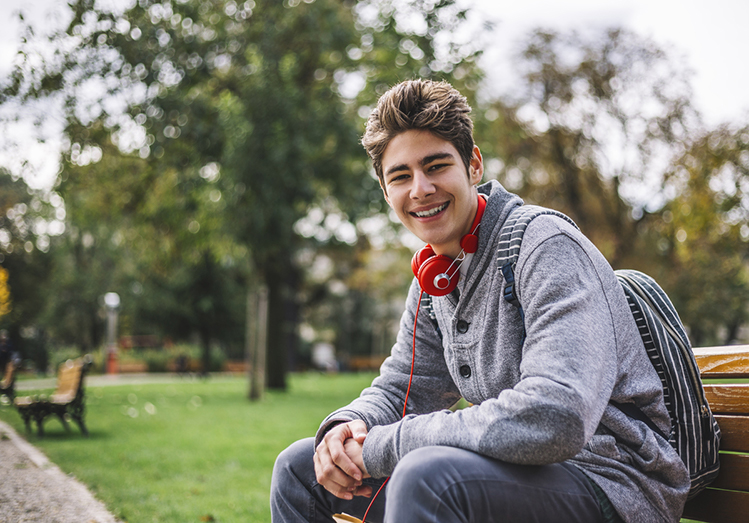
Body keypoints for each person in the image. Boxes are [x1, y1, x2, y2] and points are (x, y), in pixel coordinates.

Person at [270, 79, 689, 522]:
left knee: (427, 477)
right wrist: (346, 428)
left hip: (613, 481)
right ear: (384, 189)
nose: (420, 188)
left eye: (436, 166)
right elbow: (403, 391)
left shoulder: (546, 246)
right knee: (301, 469)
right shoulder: (434, 276)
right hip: (512, 474)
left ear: (473, 166)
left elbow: (556, 416)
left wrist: (384, 446)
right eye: (400, 176)